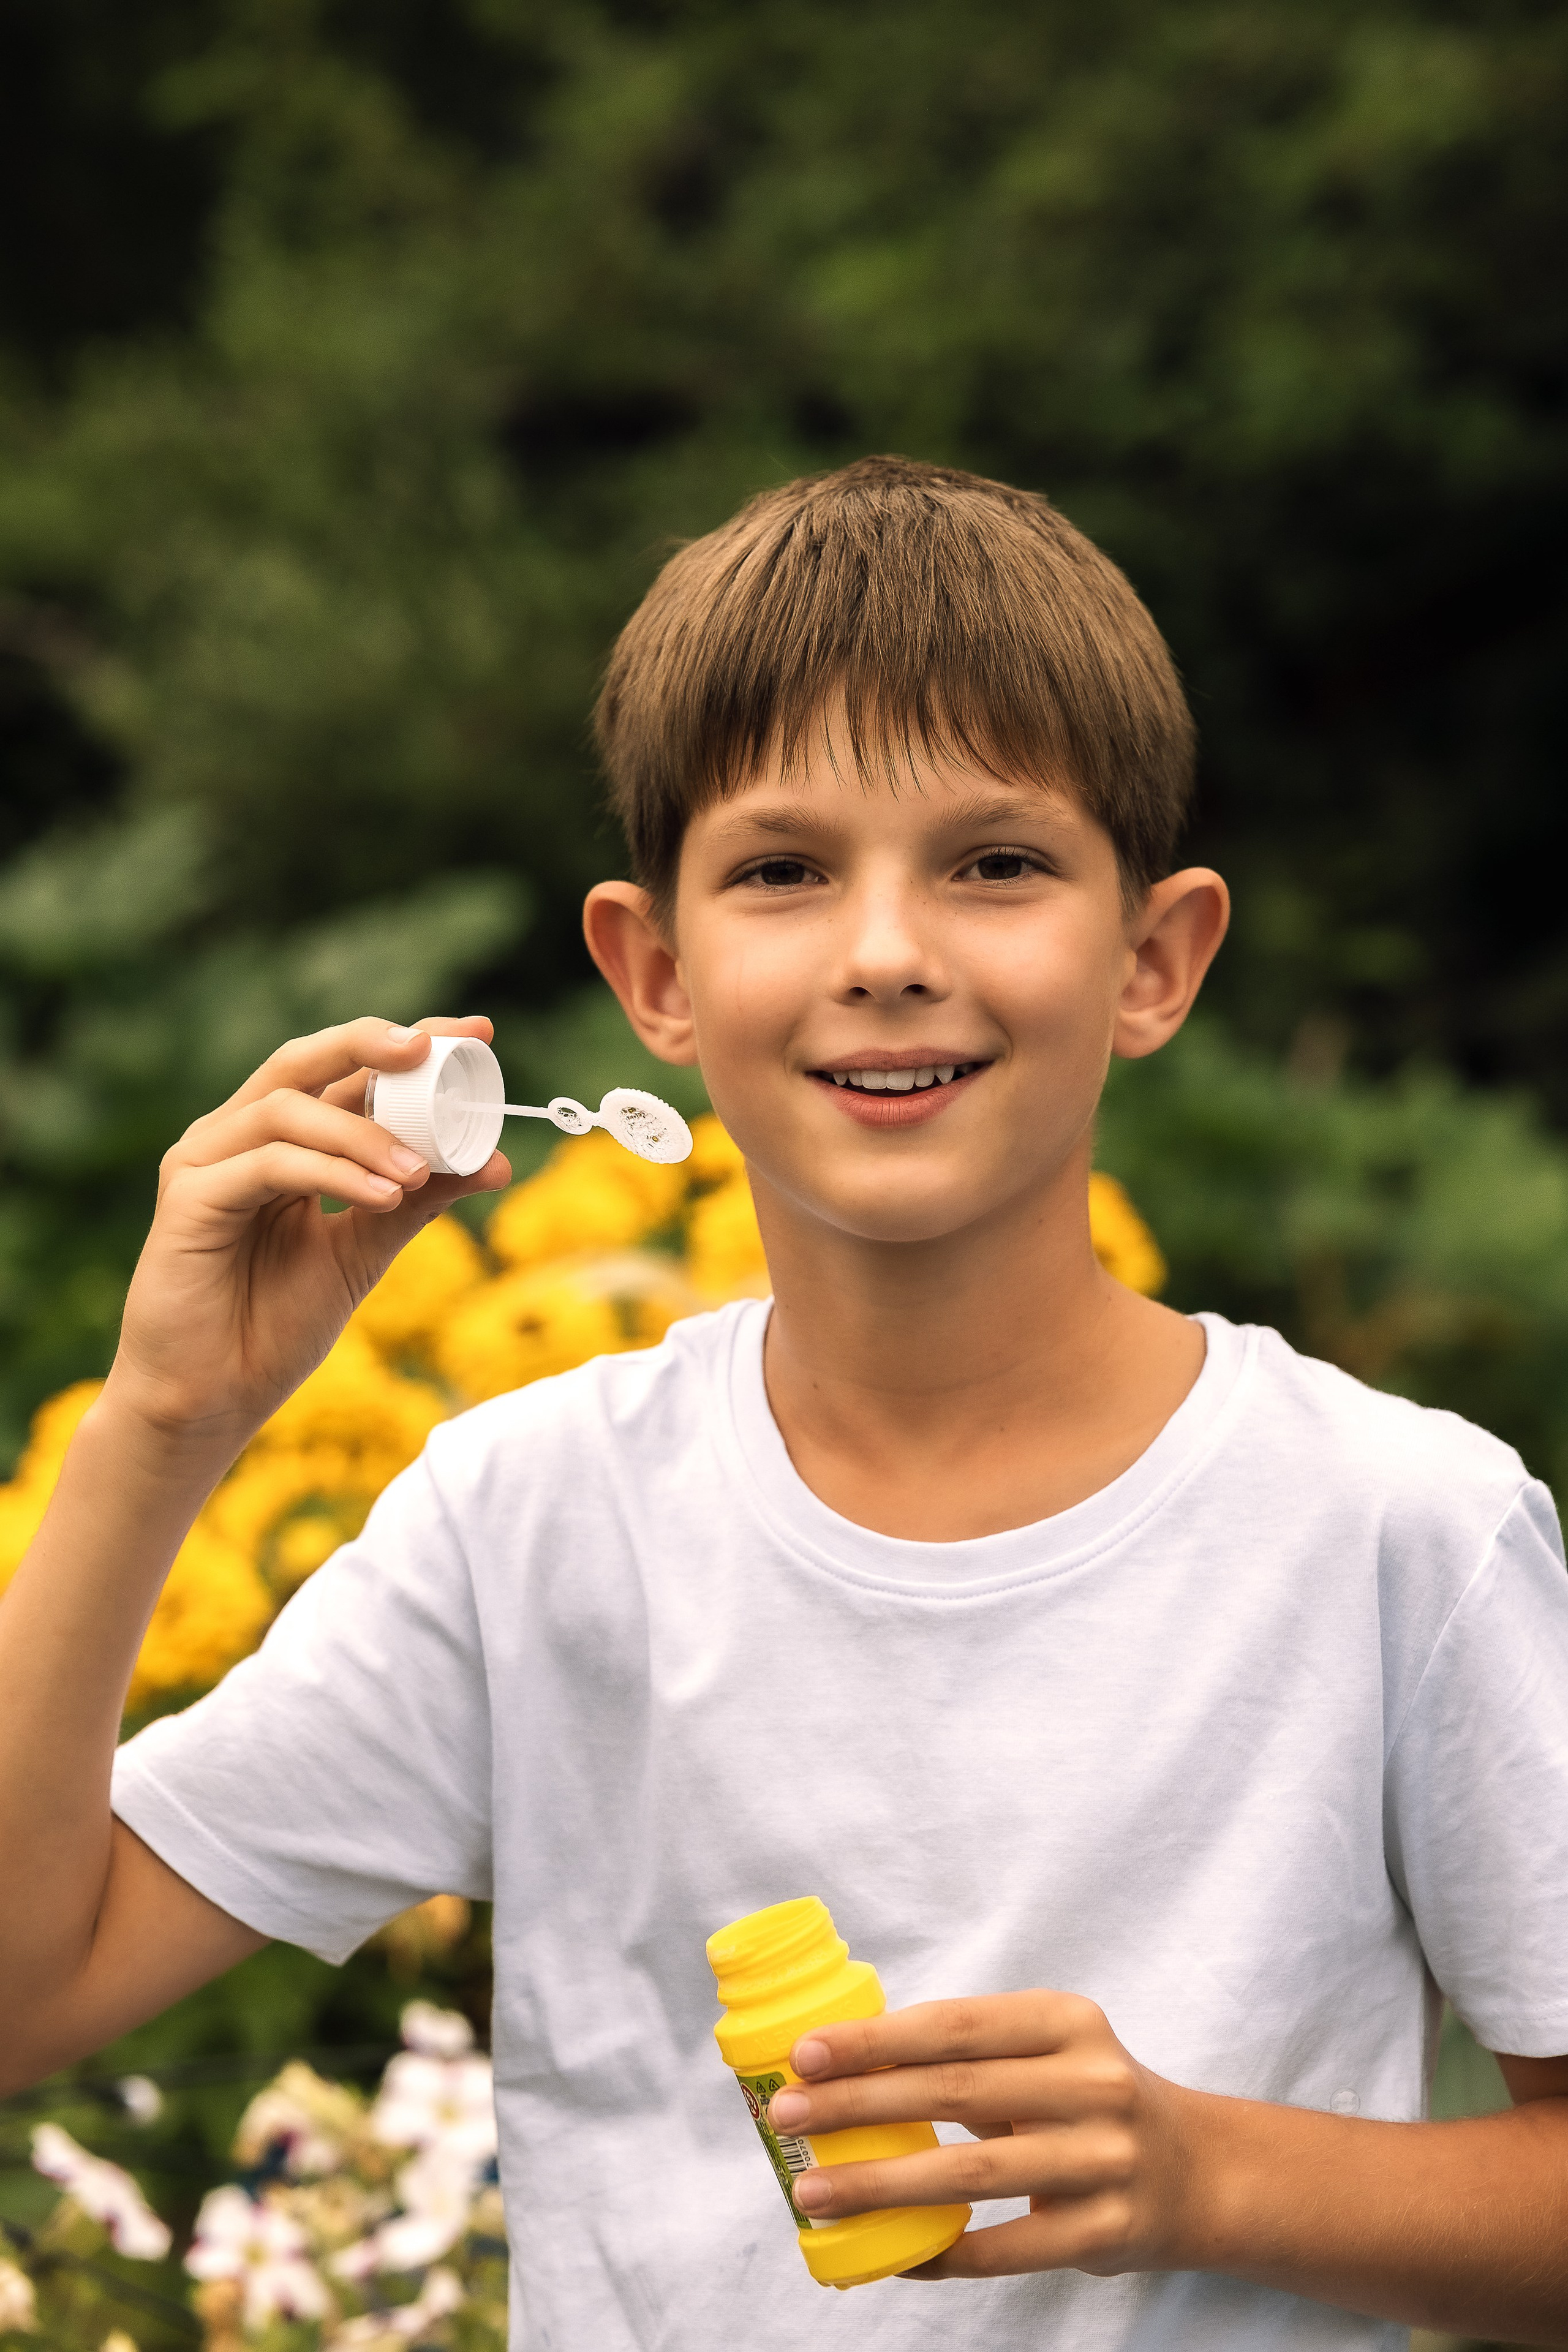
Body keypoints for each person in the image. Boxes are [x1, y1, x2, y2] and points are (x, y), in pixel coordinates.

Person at [2, 456, 1566, 2352]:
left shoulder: (1401, 1528)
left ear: (1154, 960)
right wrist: (162, 1421)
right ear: (654, 974)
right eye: (782, 870)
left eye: (995, 862)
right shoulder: (531, 1522)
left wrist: (1201, 2172)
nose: (887, 951)